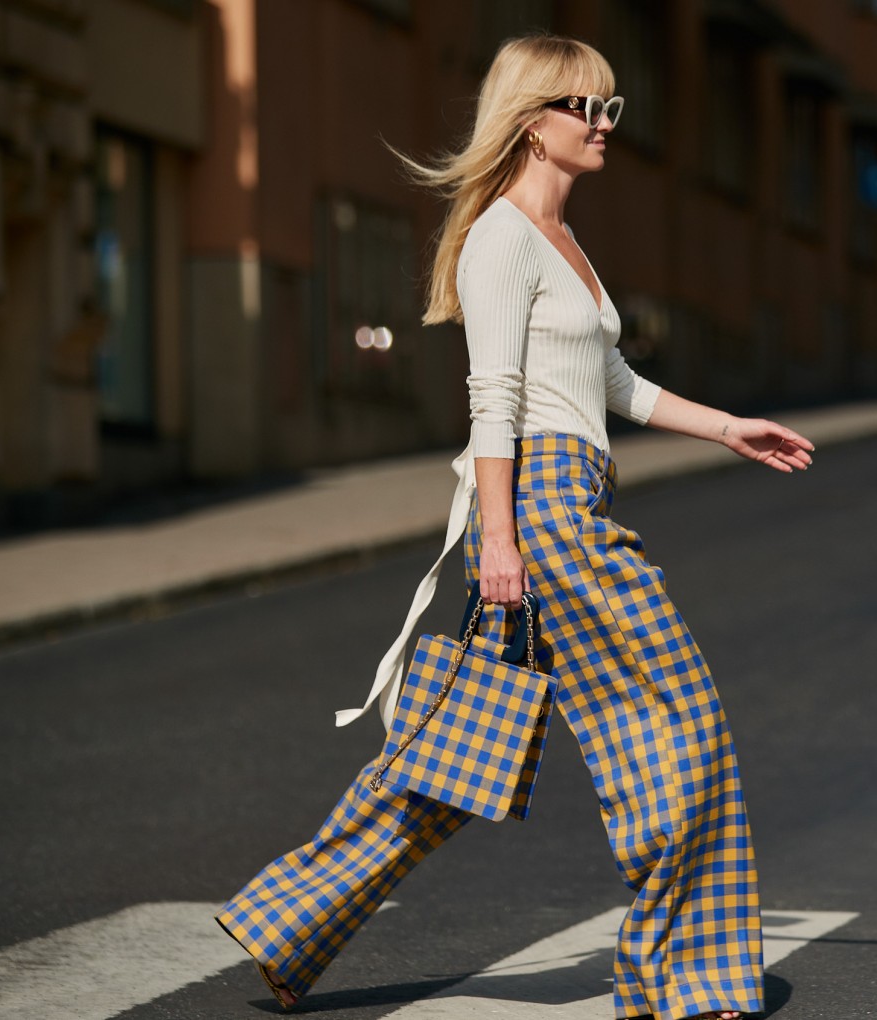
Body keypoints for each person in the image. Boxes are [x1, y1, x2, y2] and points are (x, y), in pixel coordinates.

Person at [214, 35, 814, 1020]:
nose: (605, 126)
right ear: (532, 117)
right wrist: (500, 539)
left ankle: (288, 924)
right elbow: (491, 399)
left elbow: (610, 384)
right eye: (589, 107)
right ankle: (684, 980)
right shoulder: (500, 238)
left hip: (559, 503)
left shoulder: (564, 242)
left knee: (452, 758)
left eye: (611, 107)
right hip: (543, 514)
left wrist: (726, 429)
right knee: (683, 725)